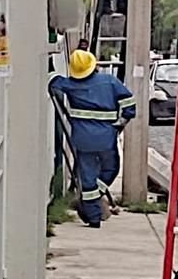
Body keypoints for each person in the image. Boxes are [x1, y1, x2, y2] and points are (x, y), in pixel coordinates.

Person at [48, 49, 136, 228]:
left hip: (82, 140)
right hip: (106, 137)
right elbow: (129, 103)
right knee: (111, 168)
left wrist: (48, 60)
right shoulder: (110, 82)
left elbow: (53, 80)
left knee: (87, 178)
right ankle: (96, 196)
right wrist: (121, 122)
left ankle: (94, 217)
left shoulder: (70, 85)